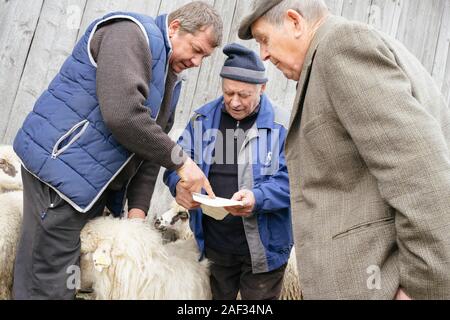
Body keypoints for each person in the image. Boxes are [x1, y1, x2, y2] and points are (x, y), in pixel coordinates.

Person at [239, 0, 450, 300]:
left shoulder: (342, 47)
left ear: (294, 22)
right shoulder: (325, 58)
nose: (264, 54)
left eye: (263, 39)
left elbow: (420, 172)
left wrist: (422, 289)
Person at [12, 1, 222, 300]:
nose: (198, 62)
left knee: (70, 277)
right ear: (175, 28)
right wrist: (182, 163)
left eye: (205, 56)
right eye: (196, 49)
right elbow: (123, 115)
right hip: (63, 175)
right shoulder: (131, 35)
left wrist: (137, 214)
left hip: (88, 186)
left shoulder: (169, 78)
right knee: (48, 278)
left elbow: (149, 146)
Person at [164, 43, 293, 300]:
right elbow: (173, 162)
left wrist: (257, 198)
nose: (234, 102)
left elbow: (295, 181)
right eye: (228, 92)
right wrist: (177, 186)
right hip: (215, 246)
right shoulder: (202, 120)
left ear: (262, 88)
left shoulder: (282, 125)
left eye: (244, 95)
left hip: (263, 249)